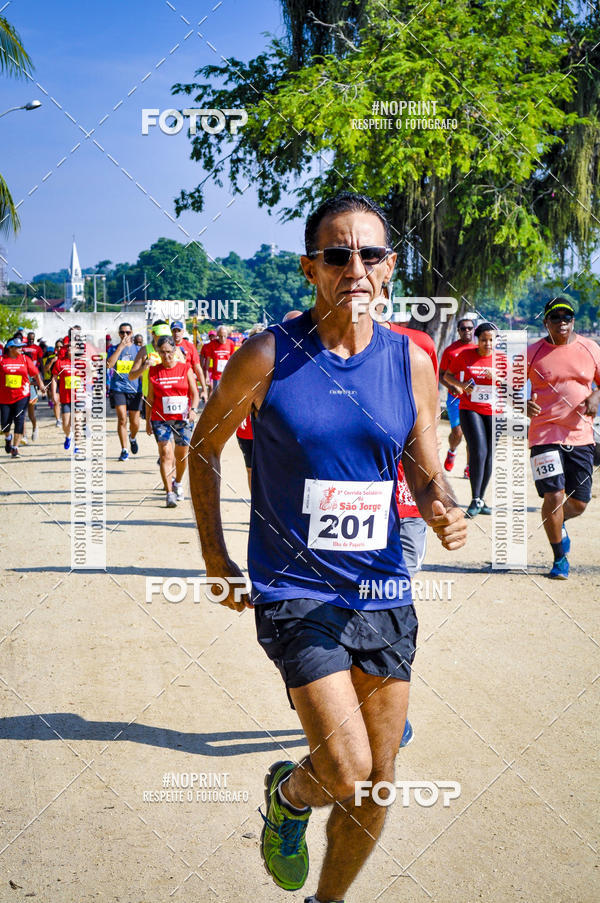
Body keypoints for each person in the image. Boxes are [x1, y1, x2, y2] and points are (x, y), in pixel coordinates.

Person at [189, 191, 466, 903]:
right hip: (295, 590)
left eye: (370, 254)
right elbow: (204, 446)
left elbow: (421, 466)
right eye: (338, 255)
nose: (356, 267)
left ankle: (327, 901)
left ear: (390, 266)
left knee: (378, 780)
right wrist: (216, 558)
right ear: (311, 267)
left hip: (381, 589)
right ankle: (288, 795)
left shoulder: (410, 362)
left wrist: (441, 506)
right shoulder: (268, 354)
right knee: (342, 771)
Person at [527, 297, 600, 579]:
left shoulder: (590, 348)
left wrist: (595, 395)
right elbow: (508, 386)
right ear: (546, 322)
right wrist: (522, 405)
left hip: (580, 434)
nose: (562, 323)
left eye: (567, 318)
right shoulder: (532, 352)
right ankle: (559, 559)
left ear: (573, 321)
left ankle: (556, 521)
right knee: (554, 494)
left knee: (579, 502)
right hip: (544, 433)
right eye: (555, 318)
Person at [446, 322, 500, 517]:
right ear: (478, 340)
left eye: (491, 340)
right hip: (470, 408)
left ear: (496, 341)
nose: (487, 344)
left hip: (494, 411)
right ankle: (475, 498)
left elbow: (515, 386)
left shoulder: (501, 360)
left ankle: (482, 498)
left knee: (490, 454)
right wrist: (461, 385)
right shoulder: (465, 356)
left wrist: (499, 378)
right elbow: (448, 376)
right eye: (484, 340)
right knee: (479, 451)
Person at [146, 334, 199, 507]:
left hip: (182, 418)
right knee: (165, 454)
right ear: (158, 352)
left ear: (175, 351)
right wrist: (147, 421)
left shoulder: (185, 369)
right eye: (162, 352)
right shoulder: (154, 371)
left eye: (169, 352)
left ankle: (178, 482)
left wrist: (193, 409)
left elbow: (194, 394)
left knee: (181, 455)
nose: (166, 356)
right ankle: (169, 493)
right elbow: (150, 398)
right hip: (160, 418)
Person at [439, 318, 476, 477]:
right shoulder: (450, 351)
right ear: (458, 331)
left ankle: (469, 466)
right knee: (458, 432)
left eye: (469, 328)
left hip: (474, 399)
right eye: (463, 328)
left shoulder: (478, 349)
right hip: (455, 398)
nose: (466, 331)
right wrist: (451, 386)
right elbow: (441, 376)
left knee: (472, 435)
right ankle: (452, 451)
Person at [1, 338, 45, 457]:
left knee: (19, 419)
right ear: (10, 348)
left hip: (22, 395)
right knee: (5, 423)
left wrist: (40, 384)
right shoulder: (2, 360)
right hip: (4, 397)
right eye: (18, 347)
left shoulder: (25, 359)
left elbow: (35, 373)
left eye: (22, 346)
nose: (21, 349)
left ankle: (15, 448)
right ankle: (8, 437)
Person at [107, 322, 143, 461]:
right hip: (118, 388)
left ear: (132, 333)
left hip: (135, 389)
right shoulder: (114, 348)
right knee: (122, 418)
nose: (125, 335)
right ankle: (124, 449)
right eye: (122, 333)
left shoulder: (139, 350)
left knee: (135, 422)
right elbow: (109, 364)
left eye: (128, 332)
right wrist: (120, 347)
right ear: (119, 334)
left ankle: (132, 437)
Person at [170, 320, 208, 403]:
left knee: (189, 412)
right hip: (173, 384)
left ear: (183, 332)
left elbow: (197, 368)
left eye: (178, 331)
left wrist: (204, 389)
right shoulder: (167, 347)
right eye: (174, 331)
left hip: (188, 384)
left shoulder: (190, 346)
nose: (176, 333)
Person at [202, 325, 235, 395]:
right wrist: (207, 376)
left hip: (227, 375)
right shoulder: (212, 344)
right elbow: (207, 361)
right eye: (220, 336)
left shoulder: (231, 343)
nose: (222, 338)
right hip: (216, 376)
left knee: (228, 395)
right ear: (217, 335)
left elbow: (233, 360)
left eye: (224, 336)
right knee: (217, 395)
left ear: (227, 335)